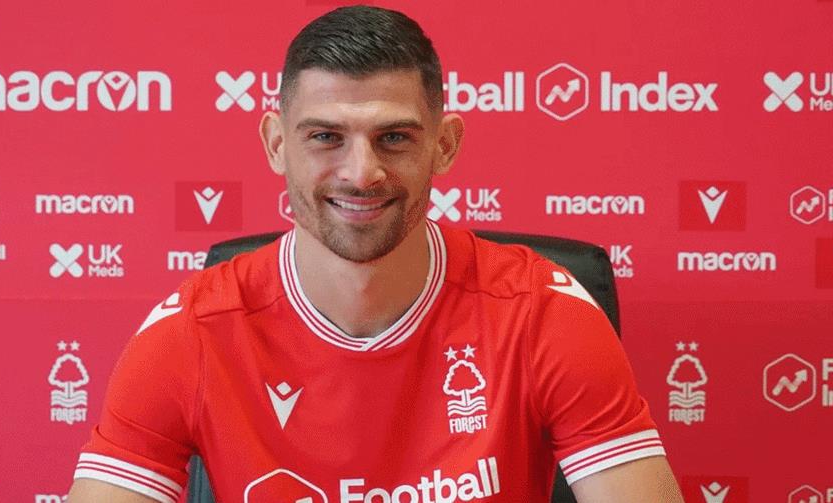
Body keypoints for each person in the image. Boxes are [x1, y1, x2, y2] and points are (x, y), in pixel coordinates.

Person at [68, 5, 681, 502]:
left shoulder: (542, 311)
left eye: (394, 137)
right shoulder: (193, 330)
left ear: (445, 145)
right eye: (325, 137)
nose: (362, 173)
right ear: (277, 144)